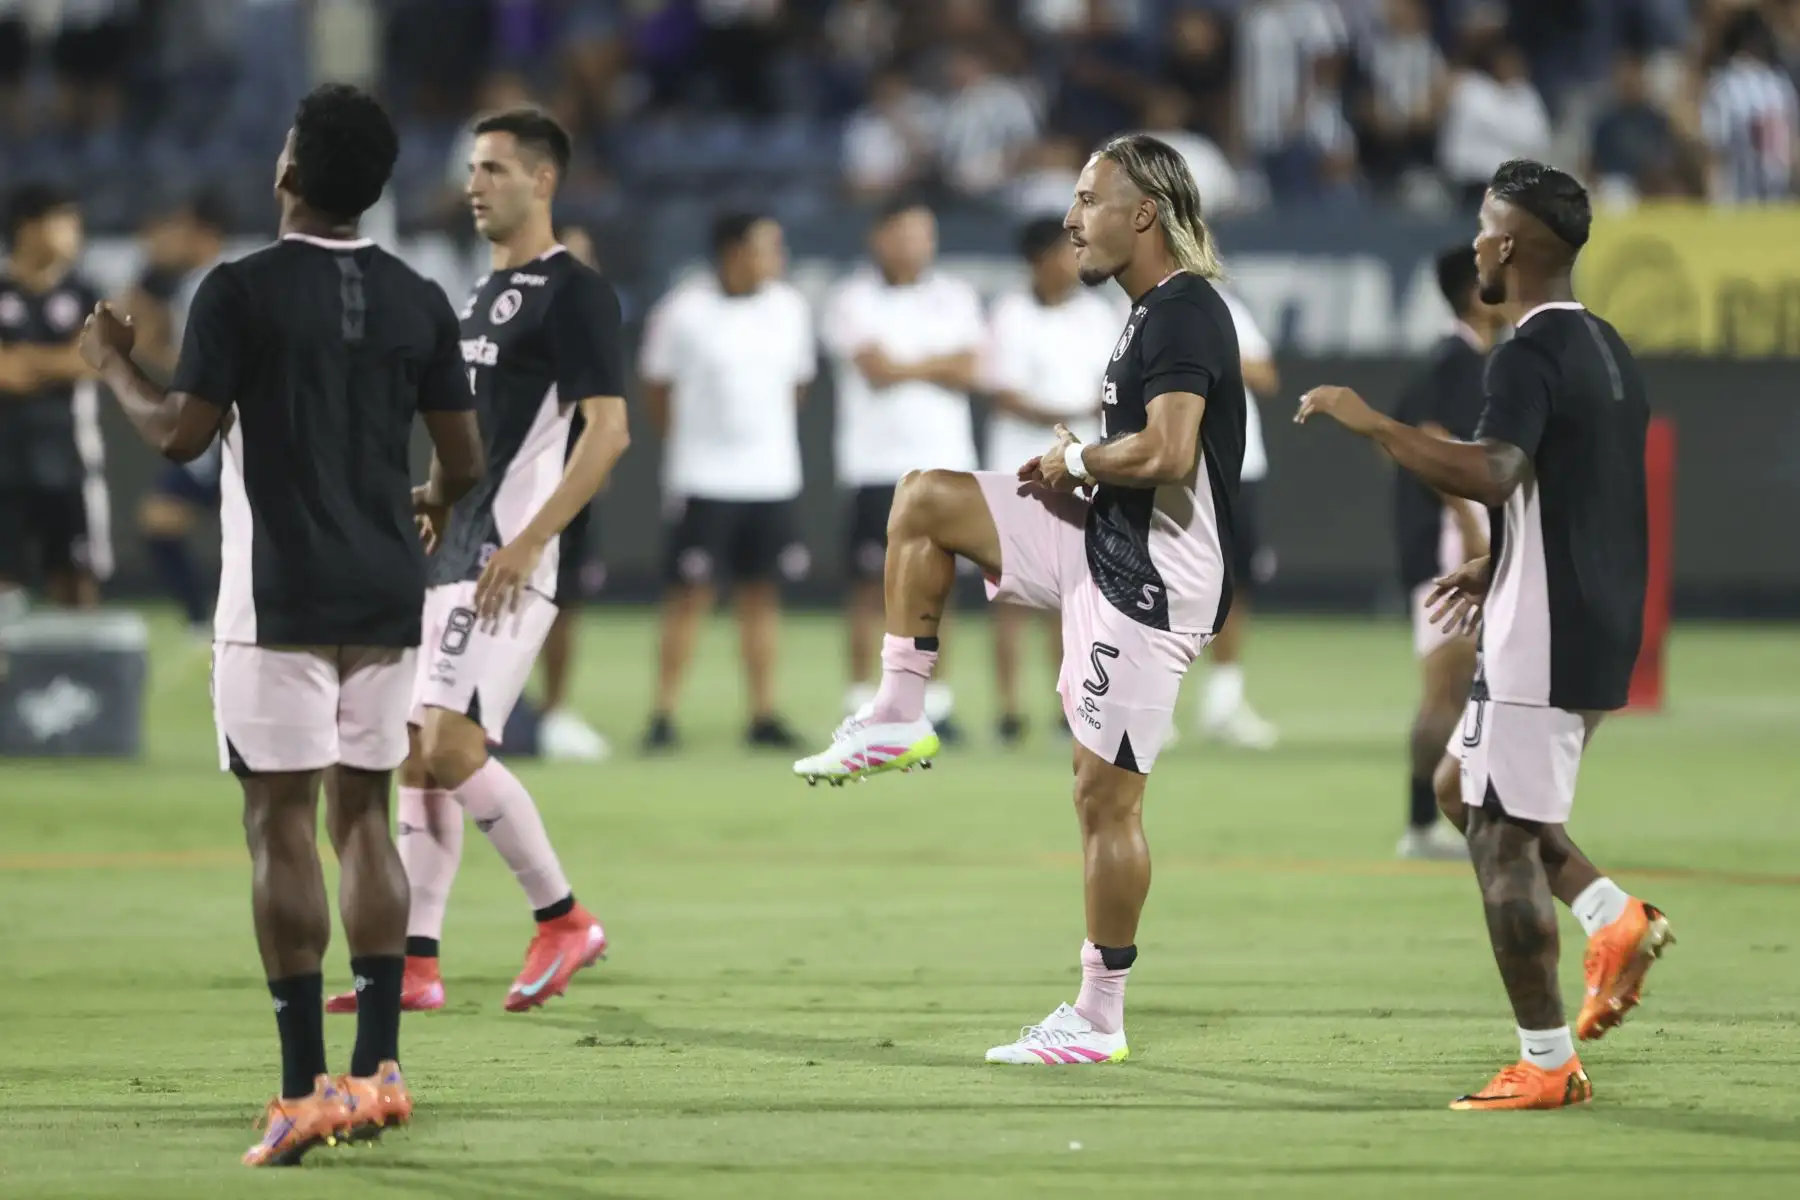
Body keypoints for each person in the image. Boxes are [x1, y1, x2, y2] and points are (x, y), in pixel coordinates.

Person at [76, 83, 487, 1165]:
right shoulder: (418, 296)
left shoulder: (240, 291)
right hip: (387, 594)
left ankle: (305, 1086)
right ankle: (384, 1072)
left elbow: (178, 434)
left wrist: (115, 360)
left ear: (288, 173)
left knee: (280, 827)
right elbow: (464, 460)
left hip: (279, 599)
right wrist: (429, 507)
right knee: (366, 819)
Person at [796, 134, 1246, 1066]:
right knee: (924, 498)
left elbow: (1171, 454)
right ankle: (896, 713)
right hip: (1108, 532)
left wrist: (1076, 458)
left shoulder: (1187, 310)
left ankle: (1098, 1015)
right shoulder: (1145, 311)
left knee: (1103, 802)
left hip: (1155, 582)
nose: (1072, 219)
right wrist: (1080, 475)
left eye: (1089, 199)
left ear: (1144, 214)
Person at [1297, 159, 1673, 1111]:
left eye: (1482, 226)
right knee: (1461, 786)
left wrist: (1371, 422)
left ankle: (1547, 1063)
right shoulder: (1608, 345)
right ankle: (1609, 913)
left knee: (1500, 839)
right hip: (1591, 611)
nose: (1473, 242)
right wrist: (1499, 557)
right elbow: (1573, 488)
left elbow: (1497, 469)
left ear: (1509, 245)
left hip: (1543, 632)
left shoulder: (1525, 354)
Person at [328, 107, 629, 1019]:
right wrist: (435, 497)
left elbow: (607, 433)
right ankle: (416, 965)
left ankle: (564, 917)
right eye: (471, 168)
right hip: (455, 549)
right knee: (418, 757)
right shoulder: (474, 295)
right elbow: (471, 435)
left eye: (494, 168)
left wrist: (530, 540)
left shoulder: (575, 292)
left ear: (543, 180)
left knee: (451, 746)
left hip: (508, 555)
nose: (474, 184)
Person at [640, 211, 812, 752]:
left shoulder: (790, 308)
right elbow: (657, 390)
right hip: (703, 478)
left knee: (762, 596)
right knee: (688, 596)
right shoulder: (682, 311)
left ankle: (763, 715)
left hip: (770, 478)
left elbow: (798, 386)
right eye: (767, 247)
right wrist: (693, 447)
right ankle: (663, 715)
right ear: (734, 251)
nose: (776, 259)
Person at [822, 197, 982, 741]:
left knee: (941, 588)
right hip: (876, 467)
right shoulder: (851, 298)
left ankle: (933, 702)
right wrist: (935, 363)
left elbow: (968, 368)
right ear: (880, 237)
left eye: (927, 234)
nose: (920, 245)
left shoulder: (955, 296)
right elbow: (876, 369)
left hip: (946, 466)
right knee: (871, 586)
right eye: (909, 233)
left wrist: (911, 364)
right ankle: (862, 697)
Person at [981, 215, 1119, 744]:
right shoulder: (1009, 314)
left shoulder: (1098, 315)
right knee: (1012, 597)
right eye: (1067, 250)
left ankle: (1072, 706)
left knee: (1076, 597)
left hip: (1081, 471)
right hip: (1016, 472)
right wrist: (1067, 413)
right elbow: (1002, 390)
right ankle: (1009, 711)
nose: (1077, 258)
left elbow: (1110, 387)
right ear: (1039, 259)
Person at [1390, 246, 1502, 860]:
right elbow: (1427, 440)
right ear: (1474, 293)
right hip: (1447, 547)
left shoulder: (1467, 359)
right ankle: (1422, 826)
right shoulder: (1457, 360)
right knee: (1448, 684)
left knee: (1462, 685)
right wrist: (1466, 522)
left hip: (1451, 540)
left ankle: (1443, 817)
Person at [125, 191, 232, 637]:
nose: (173, 236)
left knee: (165, 519)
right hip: (210, 429)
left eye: (181, 227)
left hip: (225, 429)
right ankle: (198, 619)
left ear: (201, 232)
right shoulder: (197, 283)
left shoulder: (215, 284)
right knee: (161, 519)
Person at [0, 183, 106, 615]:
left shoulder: (84, 290)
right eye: (65, 222)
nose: (74, 233)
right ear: (30, 228)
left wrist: (26, 357)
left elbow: (95, 360)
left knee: (77, 578)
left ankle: (86, 677)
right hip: (4, 464)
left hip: (69, 461)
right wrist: (57, 360)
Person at [535, 223, 612, 762]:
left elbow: (606, 421)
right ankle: (497, 711)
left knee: (564, 602)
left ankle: (554, 712)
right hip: (514, 485)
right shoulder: (506, 322)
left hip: (573, 484)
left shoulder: (596, 332)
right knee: (500, 603)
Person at [1196, 287, 1279, 748]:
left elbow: (1266, 375)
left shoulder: (1223, 305)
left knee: (1234, 582)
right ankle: (1148, 703)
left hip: (1240, 465)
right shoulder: (1139, 304)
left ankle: (1223, 702)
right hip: (1179, 467)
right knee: (1163, 583)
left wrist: (1212, 352)